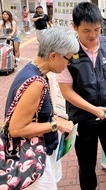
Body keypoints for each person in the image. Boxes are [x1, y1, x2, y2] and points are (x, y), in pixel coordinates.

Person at [56, 1, 106, 190]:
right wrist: (93, 110)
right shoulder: (67, 53)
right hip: (83, 119)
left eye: (97, 29)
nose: (92, 35)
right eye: (86, 31)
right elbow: (67, 91)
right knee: (86, 165)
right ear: (75, 27)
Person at [4, 27, 79, 189]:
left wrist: (55, 120)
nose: (68, 64)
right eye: (68, 59)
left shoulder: (35, 71)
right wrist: (56, 125)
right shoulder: (35, 82)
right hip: (31, 157)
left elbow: (36, 114)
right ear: (53, 56)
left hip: (40, 150)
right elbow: (16, 129)